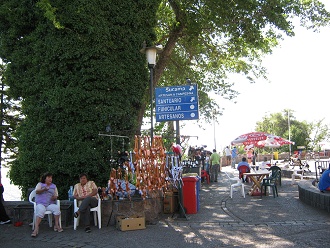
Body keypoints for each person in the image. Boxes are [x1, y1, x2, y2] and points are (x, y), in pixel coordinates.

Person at [31, 172, 62, 237]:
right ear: (45, 178)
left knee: (56, 208)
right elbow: (37, 191)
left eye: (51, 178)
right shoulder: (40, 184)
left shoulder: (54, 186)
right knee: (41, 211)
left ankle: (56, 225)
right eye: (48, 177)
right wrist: (44, 189)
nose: (50, 179)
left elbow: (56, 195)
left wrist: (54, 197)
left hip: (49, 203)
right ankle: (36, 228)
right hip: (41, 203)